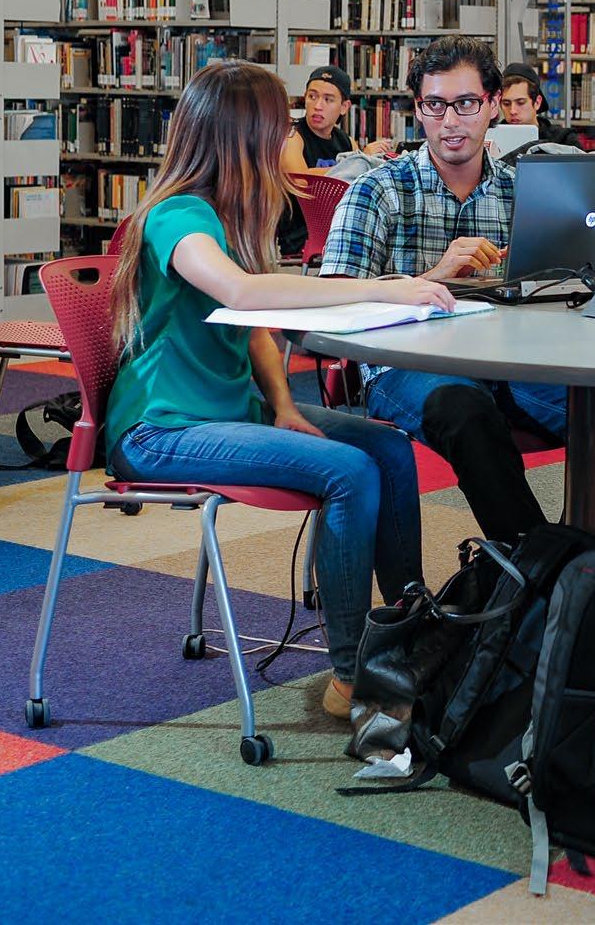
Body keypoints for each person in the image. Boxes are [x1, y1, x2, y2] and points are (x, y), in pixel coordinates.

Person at [102, 61, 449, 722]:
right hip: (161, 430)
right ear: (244, 135)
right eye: (281, 125)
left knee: (387, 448)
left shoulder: (232, 215)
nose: (292, 137)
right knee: (348, 471)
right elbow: (240, 293)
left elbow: (255, 328)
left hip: (230, 412)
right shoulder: (178, 216)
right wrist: (380, 288)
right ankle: (353, 673)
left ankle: (411, 629)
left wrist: (284, 406)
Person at [320, 37, 567, 542]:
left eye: (466, 103)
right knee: (467, 413)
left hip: (512, 360)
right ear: (418, 110)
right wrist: (431, 279)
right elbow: (334, 305)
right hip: (406, 365)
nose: (450, 121)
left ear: (494, 106)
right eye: (435, 105)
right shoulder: (377, 190)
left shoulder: (526, 192)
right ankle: (536, 563)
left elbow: (565, 290)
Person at [279, 65, 392, 256]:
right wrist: (358, 161)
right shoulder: (292, 136)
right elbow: (300, 180)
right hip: (303, 237)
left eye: (328, 99)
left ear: (344, 107)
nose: (318, 106)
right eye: (312, 96)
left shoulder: (346, 141)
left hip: (341, 229)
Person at [497, 62, 581, 148]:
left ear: (537, 102)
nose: (512, 111)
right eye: (506, 104)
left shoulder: (564, 141)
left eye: (520, 103)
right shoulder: (493, 138)